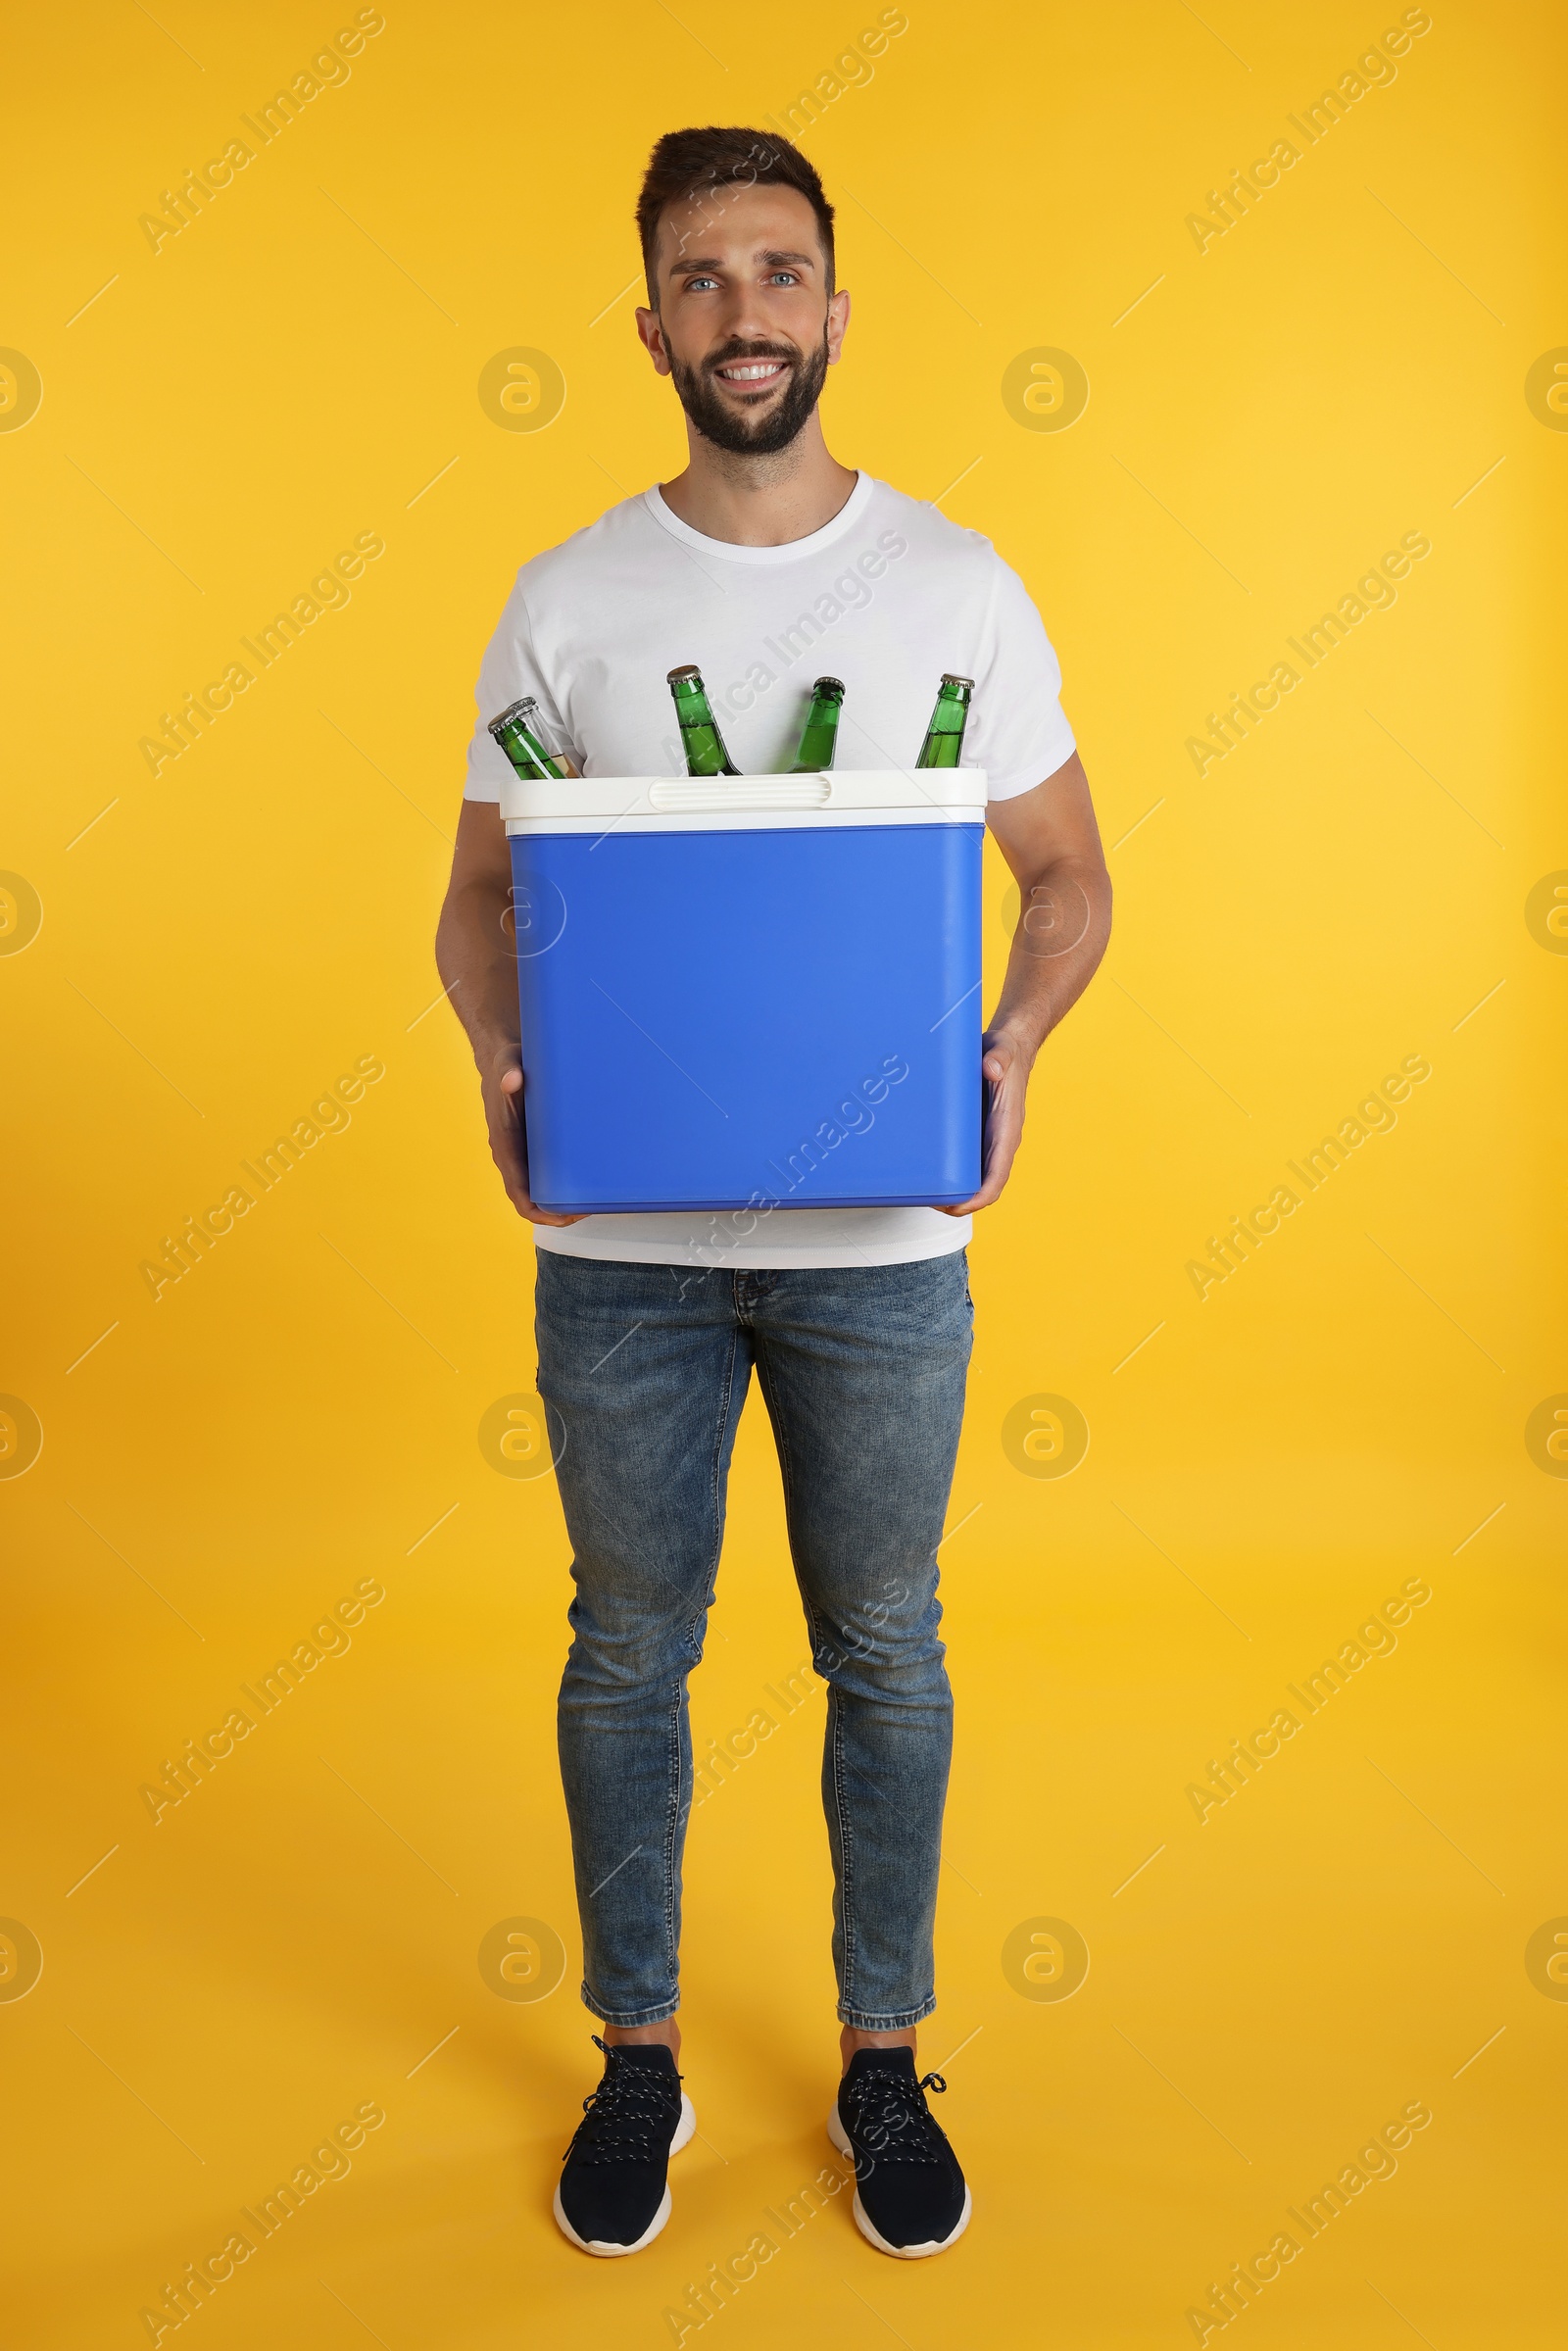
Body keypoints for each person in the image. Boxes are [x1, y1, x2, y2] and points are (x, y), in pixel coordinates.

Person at [435, 123, 1110, 2262]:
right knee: (625, 1651)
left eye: (779, 270)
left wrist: (1007, 1048)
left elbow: (1071, 873)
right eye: (702, 277)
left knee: (882, 1648)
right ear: (648, 323)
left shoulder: (959, 586)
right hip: (621, 1250)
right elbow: (471, 901)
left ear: (834, 304)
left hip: (882, 1253)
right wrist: (500, 1062)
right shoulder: (564, 596)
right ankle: (635, 2061)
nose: (744, 311)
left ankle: (883, 2063)